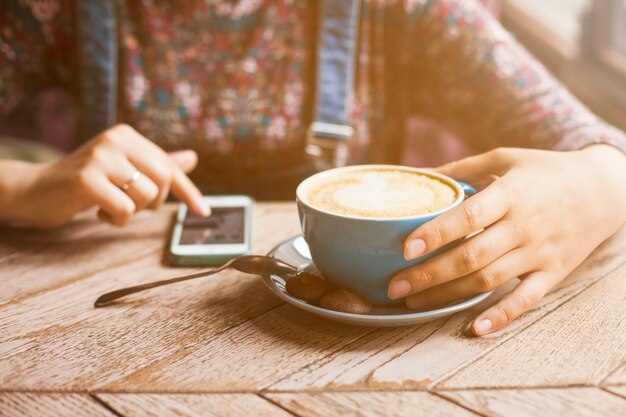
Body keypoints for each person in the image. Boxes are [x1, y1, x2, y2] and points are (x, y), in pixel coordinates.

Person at [1, 0, 625, 336]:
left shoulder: (403, 10)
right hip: (120, 320)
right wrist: (23, 185)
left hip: (356, 347)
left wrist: (598, 184)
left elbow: (604, 147)